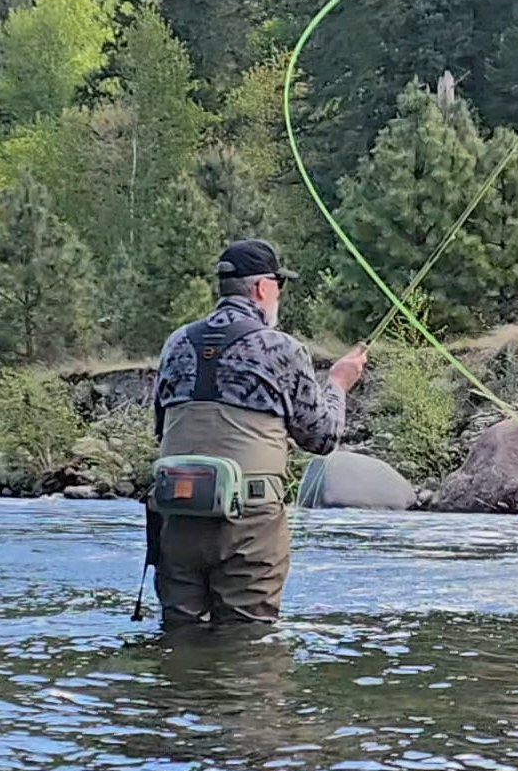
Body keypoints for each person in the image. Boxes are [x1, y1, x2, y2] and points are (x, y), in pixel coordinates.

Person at [149, 239, 367, 627]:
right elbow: (322, 438)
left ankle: (176, 689)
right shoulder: (280, 348)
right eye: (278, 286)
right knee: (246, 642)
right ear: (264, 288)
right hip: (248, 524)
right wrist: (337, 383)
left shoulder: (176, 343)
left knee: (179, 635)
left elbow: (160, 429)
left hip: (177, 517)